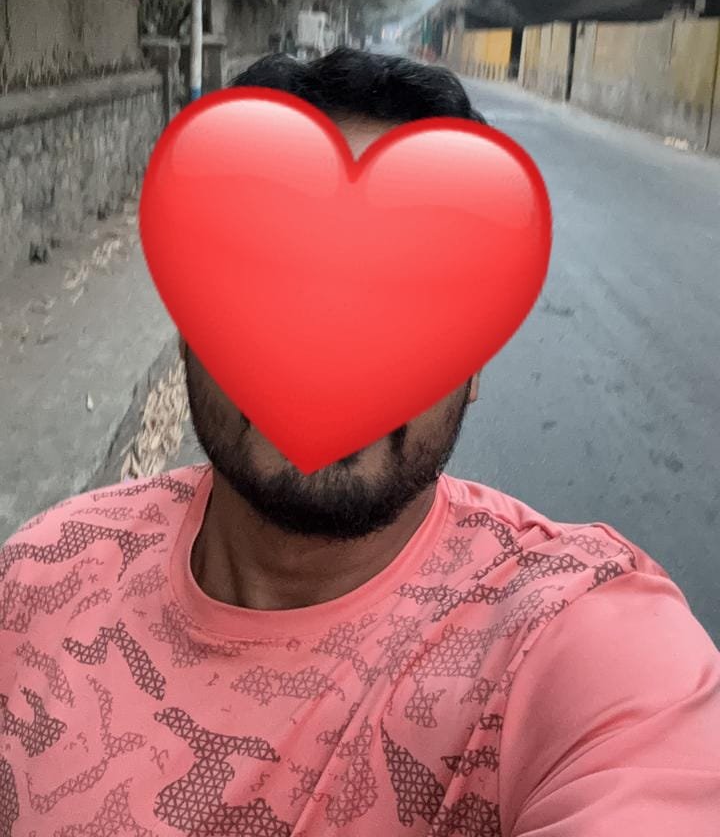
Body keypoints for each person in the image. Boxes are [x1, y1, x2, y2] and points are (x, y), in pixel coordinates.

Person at [1, 49, 718, 835]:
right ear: (187, 321)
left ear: (475, 360)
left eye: (406, 294)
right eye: (272, 277)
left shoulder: (567, 637)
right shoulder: (35, 582)